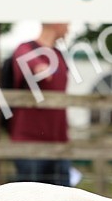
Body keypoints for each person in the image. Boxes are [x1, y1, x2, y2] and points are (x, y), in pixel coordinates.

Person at [8, 22, 71, 186]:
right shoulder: (26, 49)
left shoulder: (59, 55)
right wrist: (37, 67)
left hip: (59, 144)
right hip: (30, 144)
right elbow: (26, 62)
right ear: (54, 22)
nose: (69, 27)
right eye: (66, 21)